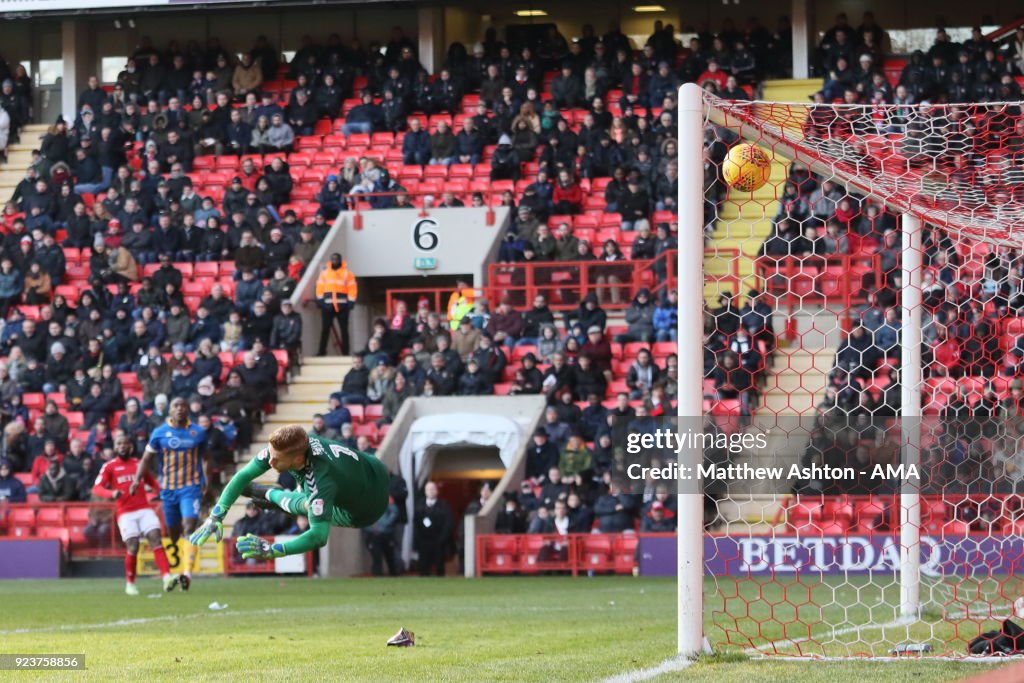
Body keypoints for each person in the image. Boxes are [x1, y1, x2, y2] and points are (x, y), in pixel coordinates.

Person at [190, 424, 390, 562]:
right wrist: (216, 515)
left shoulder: (320, 479)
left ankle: (272, 495)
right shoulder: (295, 443)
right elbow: (242, 476)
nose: (270, 462)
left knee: (307, 503)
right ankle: (282, 495)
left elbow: (319, 537)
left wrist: (275, 550)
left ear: (296, 461)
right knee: (306, 494)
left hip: (367, 509)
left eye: (276, 460)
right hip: (374, 468)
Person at [130, 397, 207, 592]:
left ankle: (187, 574)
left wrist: (208, 483)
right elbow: (146, 459)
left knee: (189, 526)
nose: (180, 409)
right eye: (176, 406)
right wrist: (137, 479)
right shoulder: (159, 433)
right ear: (170, 411)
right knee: (173, 533)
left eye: (183, 405)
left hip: (191, 487)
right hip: (168, 490)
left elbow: (207, 459)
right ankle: (175, 565)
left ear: (188, 409)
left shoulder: (198, 432)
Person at [92, 435, 178, 595]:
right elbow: (97, 488)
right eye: (119, 443)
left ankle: (167, 577)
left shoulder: (139, 464)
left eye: (125, 443)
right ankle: (130, 584)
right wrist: (111, 493)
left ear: (130, 446)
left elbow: (153, 484)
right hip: (125, 512)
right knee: (133, 545)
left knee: (155, 538)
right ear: (115, 447)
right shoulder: (109, 467)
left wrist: (165, 495)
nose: (122, 446)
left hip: (143, 509)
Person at [315, 252, 357, 356]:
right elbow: (319, 287)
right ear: (330, 260)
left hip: (342, 306)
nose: (335, 261)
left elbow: (352, 288)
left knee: (344, 330)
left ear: (340, 260)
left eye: (337, 259)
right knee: (325, 329)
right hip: (327, 306)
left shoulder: (348, 273)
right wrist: (320, 300)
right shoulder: (324, 273)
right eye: (333, 259)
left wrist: (351, 301)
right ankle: (321, 352)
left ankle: (345, 352)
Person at [414, 480, 453, 576]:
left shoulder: (443, 505)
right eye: (428, 489)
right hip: (423, 541)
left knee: (439, 566)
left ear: (437, 491)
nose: (431, 491)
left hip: (438, 541)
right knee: (423, 566)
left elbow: (448, 523)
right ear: (425, 491)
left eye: (433, 489)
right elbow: (415, 523)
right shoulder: (419, 505)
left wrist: (442, 539)